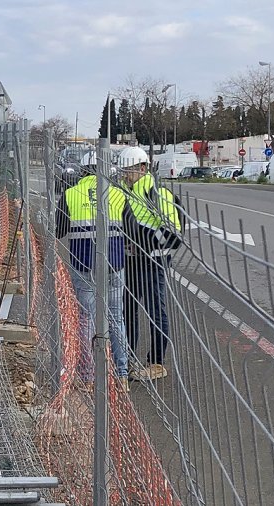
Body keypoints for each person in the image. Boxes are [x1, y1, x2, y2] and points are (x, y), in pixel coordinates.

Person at [55, 164, 130, 390]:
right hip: (114, 264)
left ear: (83, 173)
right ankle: (122, 374)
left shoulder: (71, 194)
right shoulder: (118, 194)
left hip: (84, 262)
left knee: (86, 318)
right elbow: (132, 231)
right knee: (116, 317)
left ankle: (88, 377)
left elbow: (59, 230)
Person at [119, 147, 183, 382]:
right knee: (127, 310)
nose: (125, 175)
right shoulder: (125, 191)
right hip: (130, 261)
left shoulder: (156, 193)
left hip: (152, 261)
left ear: (143, 169)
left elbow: (173, 232)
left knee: (156, 311)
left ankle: (157, 362)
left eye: (130, 170)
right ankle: (127, 357)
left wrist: (145, 243)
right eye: (124, 170)